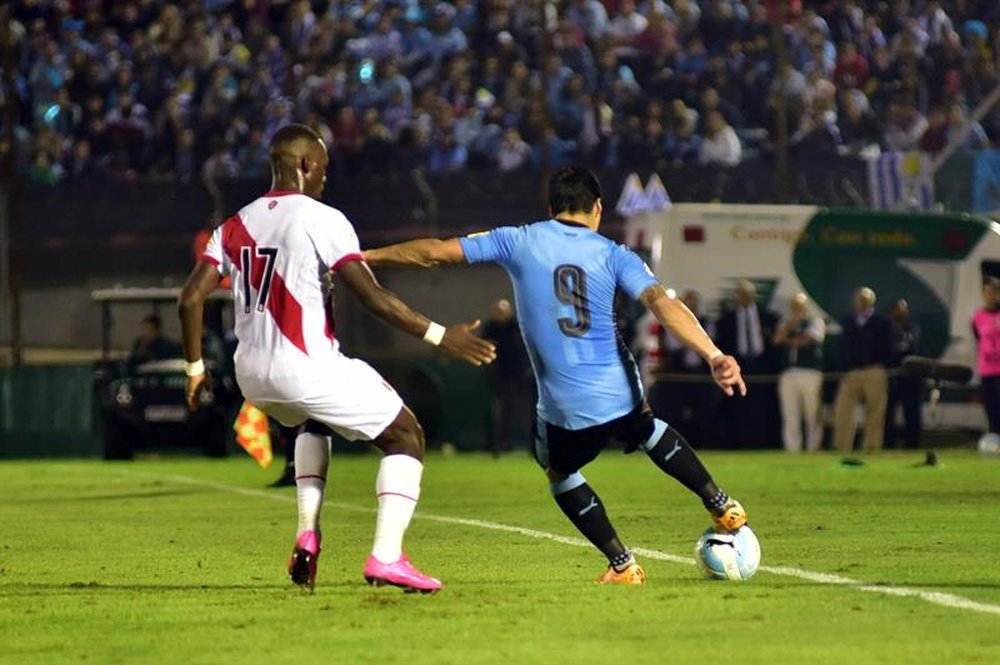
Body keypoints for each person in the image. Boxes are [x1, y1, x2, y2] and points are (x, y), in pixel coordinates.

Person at [363, 166, 749, 585]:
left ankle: (623, 564)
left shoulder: (518, 239)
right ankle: (720, 501)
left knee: (559, 471)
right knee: (647, 427)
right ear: (598, 208)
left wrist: (364, 257)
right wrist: (713, 353)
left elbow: (435, 251)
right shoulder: (615, 253)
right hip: (620, 389)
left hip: (566, 407)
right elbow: (663, 304)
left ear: (550, 209)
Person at [178, 124, 496, 594]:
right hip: (304, 365)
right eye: (323, 168)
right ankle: (387, 557)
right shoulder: (322, 218)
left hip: (253, 375)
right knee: (406, 434)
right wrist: (439, 334)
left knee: (312, 422)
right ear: (305, 165)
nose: (325, 178)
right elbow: (372, 297)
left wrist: (196, 369)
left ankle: (308, 531)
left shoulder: (233, 225)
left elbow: (189, 300)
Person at [715, 280, 780, 446]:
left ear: (753, 296)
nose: (743, 297)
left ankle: (763, 442)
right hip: (737, 368)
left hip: (762, 370)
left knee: (762, 408)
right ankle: (740, 442)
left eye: (746, 294)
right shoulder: (725, 321)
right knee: (739, 409)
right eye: (740, 294)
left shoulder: (769, 318)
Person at [832, 287, 893, 453]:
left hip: (874, 370)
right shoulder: (848, 321)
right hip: (852, 371)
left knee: (875, 412)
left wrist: (883, 366)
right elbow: (842, 346)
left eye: (865, 300)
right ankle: (842, 446)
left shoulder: (883, 321)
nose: (861, 303)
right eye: (859, 299)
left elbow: (889, 347)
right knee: (843, 410)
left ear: (871, 302)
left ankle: (871, 446)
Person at [773, 293, 825, 452]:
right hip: (788, 373)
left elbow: (808, 340)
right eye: (794, 306)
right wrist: (790, 325)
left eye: (799, 306)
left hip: (809, 372)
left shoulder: (815, 321)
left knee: (811, 413)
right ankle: (792, 448)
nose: (796, 309)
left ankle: (813, 447)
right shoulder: (786, 322)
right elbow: (777, 340)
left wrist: (789, 341)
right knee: (790, 413)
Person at [482, 298, 532, 455]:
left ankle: (532, 447)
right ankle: (500, 446)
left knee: (526, 415)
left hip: (520, 378)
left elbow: (525, 350)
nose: (500, 314)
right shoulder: (489, 329)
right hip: (500, 379)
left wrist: (527, 371)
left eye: (503, 311)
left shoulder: (518, 327)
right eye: (498, 311)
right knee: (501, 415)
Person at [885, 299, 922, 448]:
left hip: (910, 376)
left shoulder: (913, 328)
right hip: (892, 375)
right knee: (889, 413)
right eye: (898, 308)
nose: (901, 311)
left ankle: (912, 444)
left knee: (911, 411)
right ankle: (888, 444)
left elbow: (914, 348)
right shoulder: (886, 329)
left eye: (904, 308)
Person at [972, 278, 1000, 437]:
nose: (990, 296)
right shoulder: (978, 317)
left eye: (993, 292)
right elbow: (978, 338)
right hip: (987, 370)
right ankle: (995, 437)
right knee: (991, 405)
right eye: (987, 292)